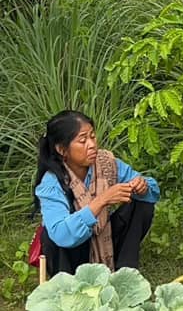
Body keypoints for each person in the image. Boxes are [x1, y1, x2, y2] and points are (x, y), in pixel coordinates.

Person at [33, 112, 158, 274]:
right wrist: (102, 200)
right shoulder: (52, 182)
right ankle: (67, 282)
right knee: (50, 236)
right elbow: (62, 234)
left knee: (142, 204)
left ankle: (125, 271)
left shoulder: (105, 163)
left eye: (92, 136)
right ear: (62, 150)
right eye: (83, 141)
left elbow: (150, 190)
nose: (92, 145)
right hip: (73, 250)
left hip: (105, 236)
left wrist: (142, 186)